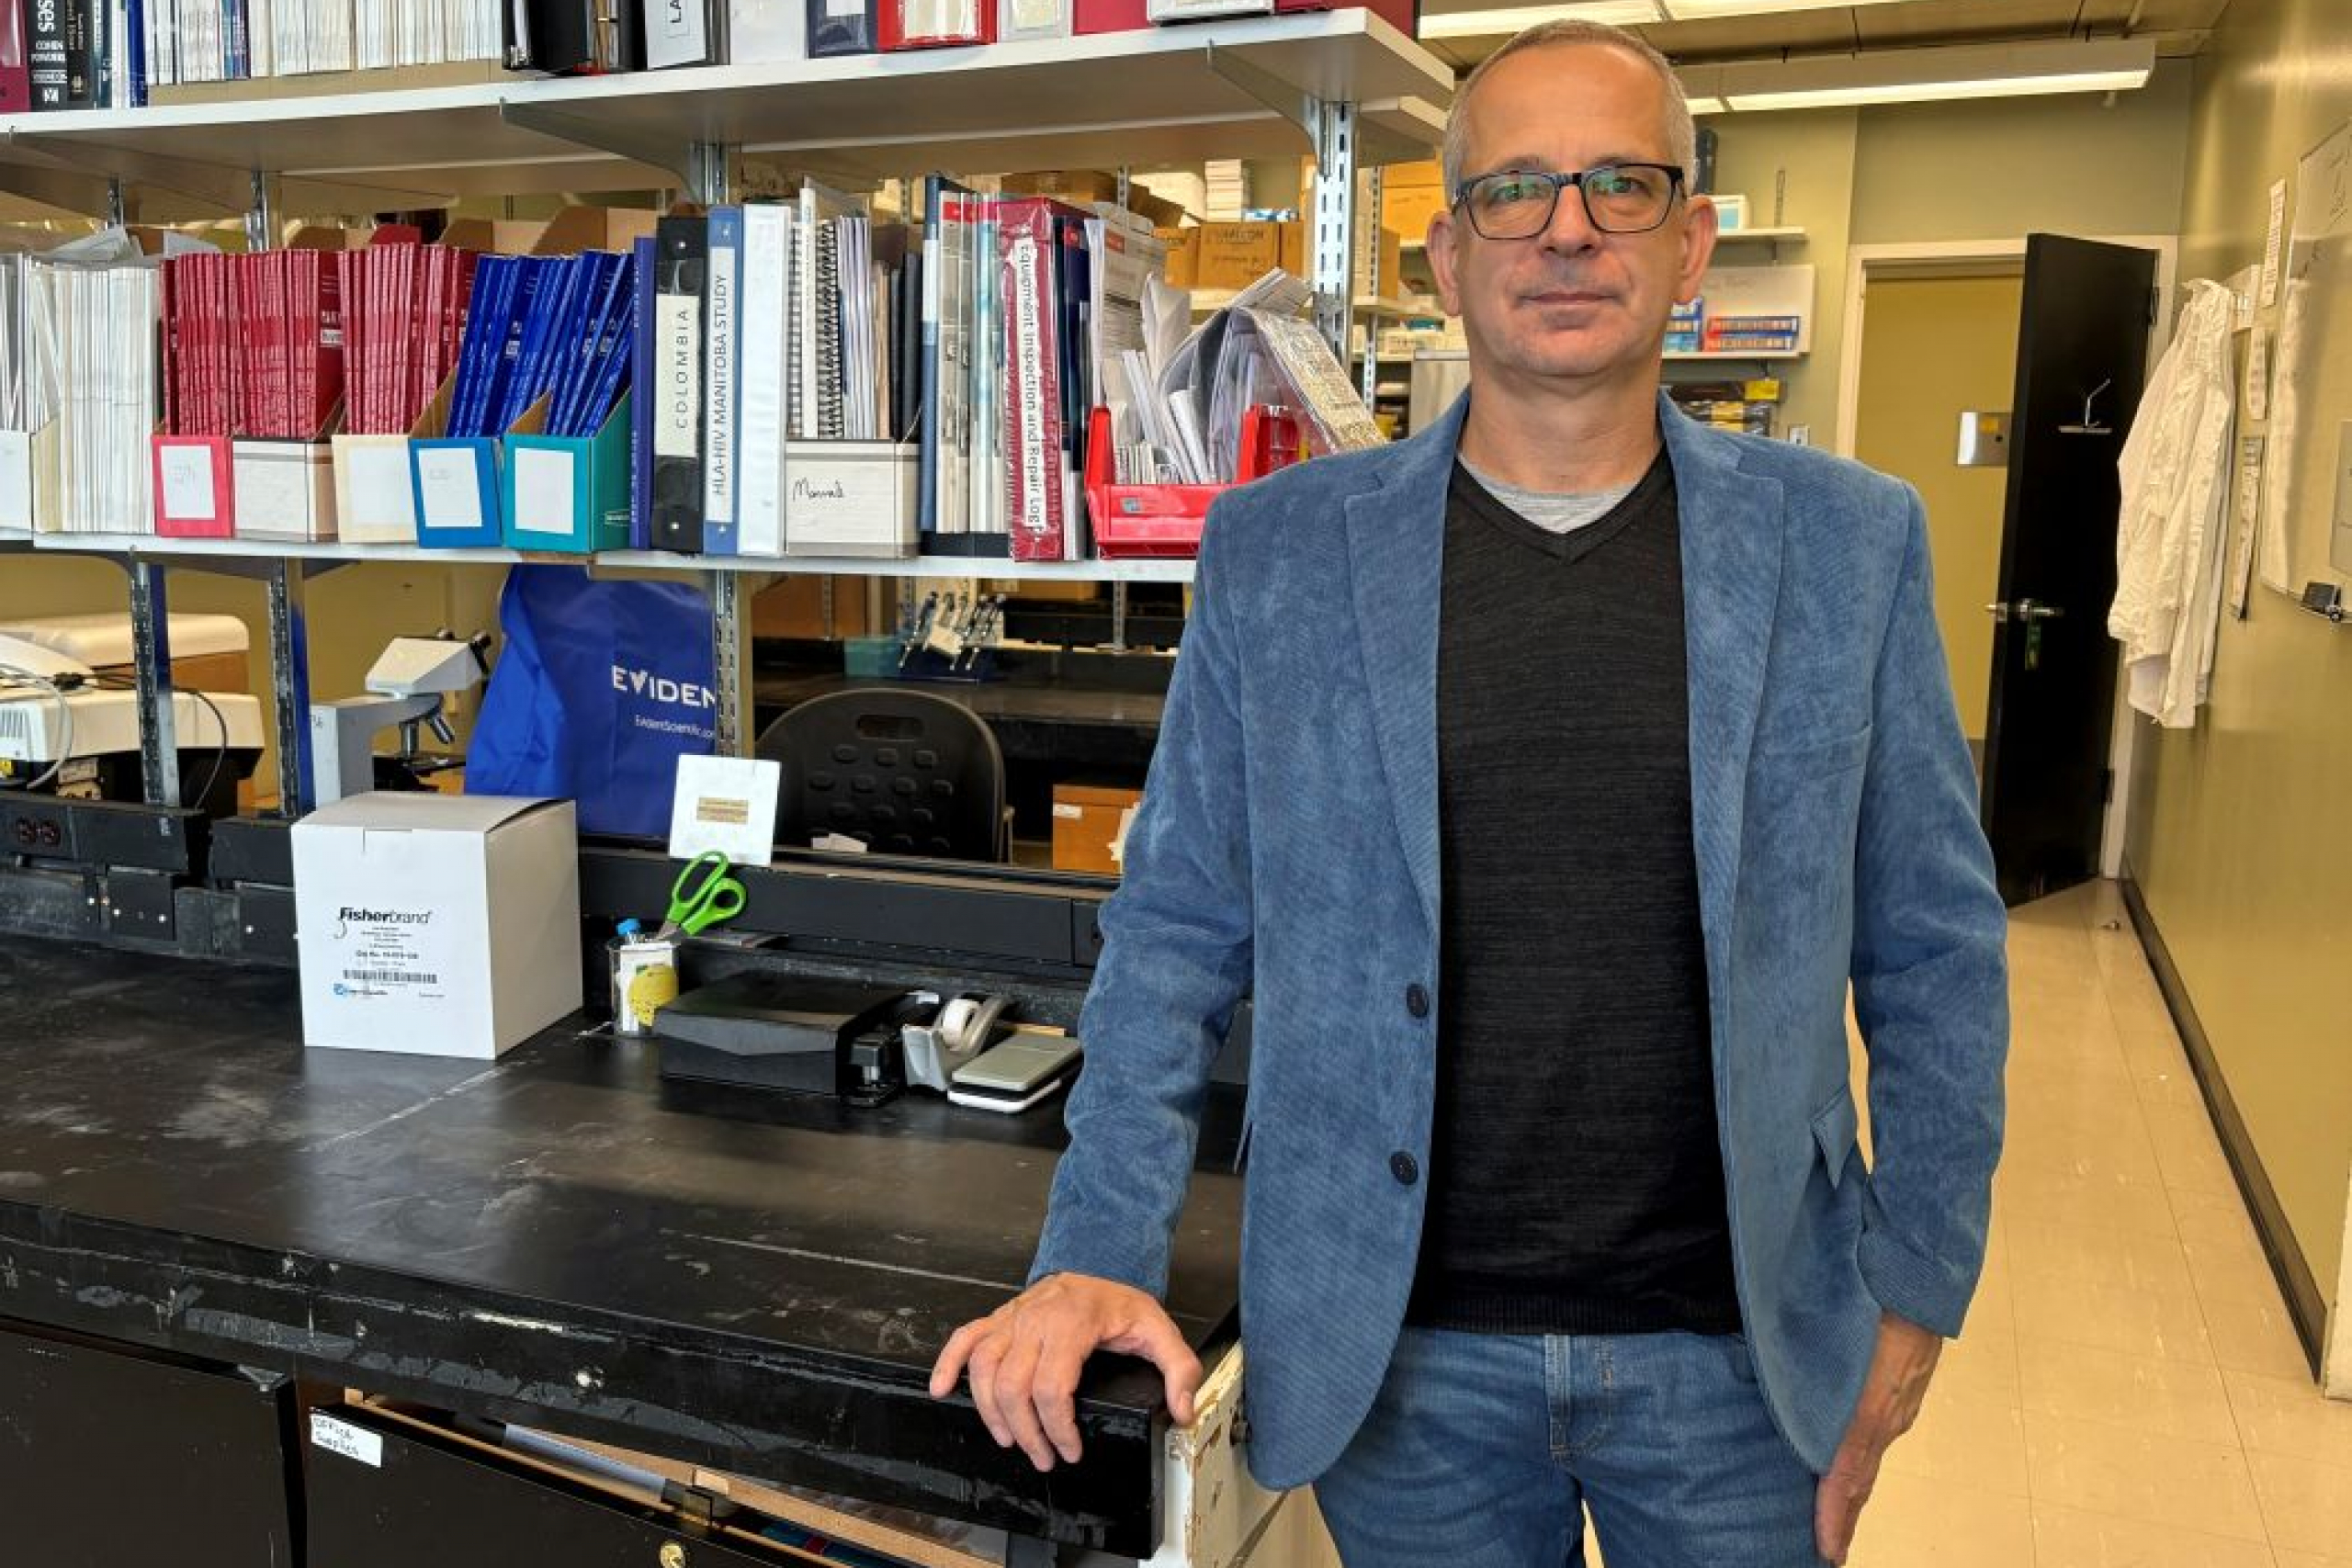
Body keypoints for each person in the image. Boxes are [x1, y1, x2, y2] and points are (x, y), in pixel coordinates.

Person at [929, 19, 2008, 1568]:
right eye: (1515, 190)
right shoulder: (1281, 553)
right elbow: (1172, 934)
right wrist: (1095, 1246)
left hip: (1741, 1364)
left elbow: (1935, 952)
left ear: (1691, 241)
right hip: (1404, 1371)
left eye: (1621, 186)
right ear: (1446, 256)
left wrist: (1918, 1292)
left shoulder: (1848, 546)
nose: (1567, 228)